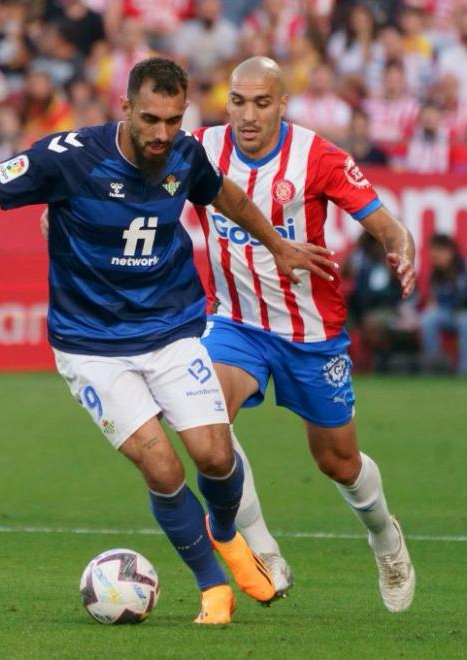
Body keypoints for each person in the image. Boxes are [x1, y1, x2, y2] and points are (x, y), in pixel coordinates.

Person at [0, 57, 335, 625]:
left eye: (174, 120)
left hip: (171, 331)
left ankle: (224, 532)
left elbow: (227, 197)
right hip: (91, 345)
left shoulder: (184, 154)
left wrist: (277, 245)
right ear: (124, 107)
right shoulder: (68, 157)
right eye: (151, 119)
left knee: (216, 457)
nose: (162, 134)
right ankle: (213, 589)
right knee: (164, 469)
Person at [194, 56, 416, 612]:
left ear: (282, 104)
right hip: (234, 321)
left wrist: (400, 247)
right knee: (204, 424)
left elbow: (385, 222)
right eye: (238, 101)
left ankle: (386, 537)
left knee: (337, 461)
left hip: (310, 331)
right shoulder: (199, 148)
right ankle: (265, 550)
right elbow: (127, 170)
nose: (248, 115)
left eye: (261, 103)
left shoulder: (315, 155)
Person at [419, 234, 467, 375]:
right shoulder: (436, 274)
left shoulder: (463, 268)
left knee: (465, 322)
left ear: (450, 251)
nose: (435, 256)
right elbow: (434, 300)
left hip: (464, 313)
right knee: (428, 319)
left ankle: (463, 371)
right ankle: (435, 367)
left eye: (438, 251)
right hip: (446, 312)